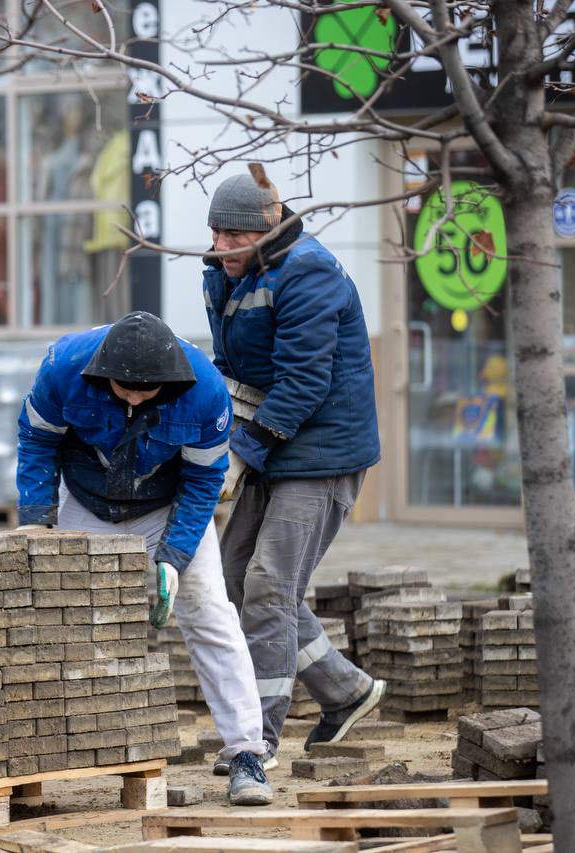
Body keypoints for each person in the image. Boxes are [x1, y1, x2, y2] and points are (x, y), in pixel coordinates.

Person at [16, 310, 273, 806]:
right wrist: (35, 518)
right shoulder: (64, 366)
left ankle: (247, 753)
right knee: (53, 614)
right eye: (121, 389)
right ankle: (41, 753)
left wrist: (174, 558)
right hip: (86, 501)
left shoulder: (205, 392)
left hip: (167, 504)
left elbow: (202, 483)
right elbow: (38, 440)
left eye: (145, 391)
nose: (132, 398)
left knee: (210, 614)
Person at [201, 168, 386, 764]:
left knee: (269, 588)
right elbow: (233, 369)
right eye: (215, 233)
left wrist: (242, 453)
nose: (221, 246)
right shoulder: (222, 276)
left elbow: (304, 382)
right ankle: (346, 690)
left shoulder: (310, 272)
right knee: (234, 580)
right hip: (276, 445)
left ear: (268, 228)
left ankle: (257, 741)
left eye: (234, 235)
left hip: (324, 451)